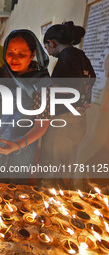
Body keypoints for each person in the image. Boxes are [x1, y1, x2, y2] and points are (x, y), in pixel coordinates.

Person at [0, 30, 51, 184]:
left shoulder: (41, 81)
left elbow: (43, 123)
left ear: (32, 53)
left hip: (23, 144)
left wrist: (18, 144)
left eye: (21, 54)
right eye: (9, 53)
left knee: (14, 189)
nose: (14, 59)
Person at [40, 22, 96, 187]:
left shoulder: (67, 57)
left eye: (46, 48)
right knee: (57, 167)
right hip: (78, 119)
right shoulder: (81, 56)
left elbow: (63, 89)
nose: (48, 53)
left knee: (49, 171)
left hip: (64, 121)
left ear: (52, 43)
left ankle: (45, 206)